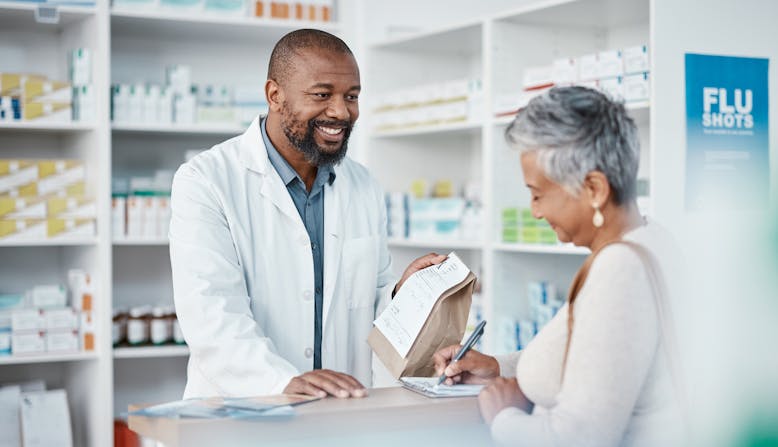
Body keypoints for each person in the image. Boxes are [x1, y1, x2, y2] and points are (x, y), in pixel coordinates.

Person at [169, 29, 444, 400]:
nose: (341, 112)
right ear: (274, 95)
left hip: (338, 412)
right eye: (322, 94)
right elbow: (211, 314)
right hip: (243, 413)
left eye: (352, 96)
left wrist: (401, 294)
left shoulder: (362, 185)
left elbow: (368, 304)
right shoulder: (206, 180)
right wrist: (280, 381)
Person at [433, 86, 684, 446]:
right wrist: (497, 368)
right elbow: (592, 358)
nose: (535, 212)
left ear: (595, 188)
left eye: (538, 195)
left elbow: (579, 438)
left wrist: (503, 417)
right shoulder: (651, 238)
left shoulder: (621, 270)